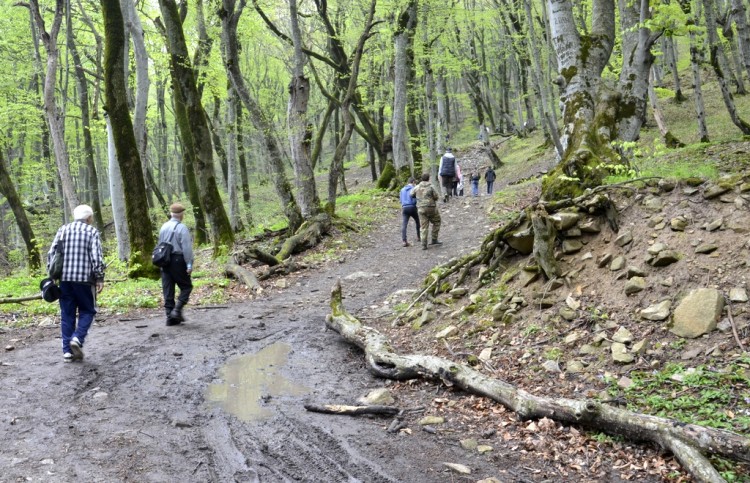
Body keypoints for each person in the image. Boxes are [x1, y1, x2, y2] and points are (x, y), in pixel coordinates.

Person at [47, 204, 105, 362]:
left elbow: (52, 253)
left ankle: (67, 351)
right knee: (88, 310)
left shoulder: (63, 230)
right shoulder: (91, 231)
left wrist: (52, 276)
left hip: (64, 280)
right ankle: (77, 338)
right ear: (89, 218)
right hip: (84, 280)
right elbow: (96, 257)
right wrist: (99, 277)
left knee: (67, 313)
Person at [159, 203, 194, 326]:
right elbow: (187, 249)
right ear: (181, 214)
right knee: (186, 287)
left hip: (164, 260)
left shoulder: (164, 226)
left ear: (171, 214)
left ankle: (170, 318)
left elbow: (160, 245)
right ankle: (177, 310)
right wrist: (189, 264)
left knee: (168, 289)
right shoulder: (182, 228)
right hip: (178, 260)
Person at [410, 173, 442, 250]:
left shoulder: (417, 187)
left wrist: (418, 197)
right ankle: (434, 239)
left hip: (421, 208)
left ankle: (424, 244)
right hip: (431, 208)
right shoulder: (431, 187)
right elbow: (436, 197)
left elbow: (411, 194)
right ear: (428, 178)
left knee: (423, 226)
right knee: (437, 222)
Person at [399, 178, 421, 247]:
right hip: (412, 207)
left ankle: (404, 240)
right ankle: (418, 237)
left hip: (405, 207)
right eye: (415, 183)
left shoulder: (402, 190)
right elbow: (415, 199)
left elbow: (401, 200)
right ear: (413, 182)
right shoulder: (413, 189)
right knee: (417, 221)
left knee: (404, 224)